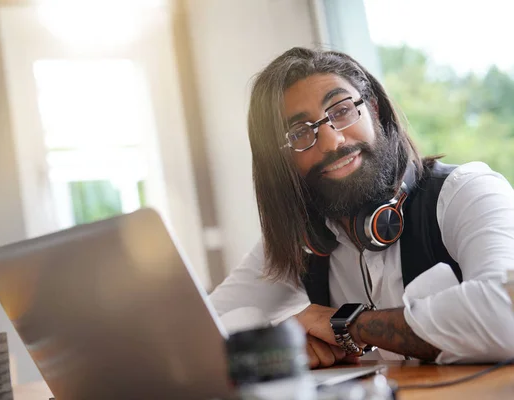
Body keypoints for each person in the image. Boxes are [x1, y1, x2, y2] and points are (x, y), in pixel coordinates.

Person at [209, 47, 514, 368]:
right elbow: (202, 330)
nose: (332, 142)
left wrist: (348, 325)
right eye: (299, 133)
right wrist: (283, 340)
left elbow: (507, 315)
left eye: (341, 111)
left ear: (373, 109)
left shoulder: (466, 191)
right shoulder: (301, 242)